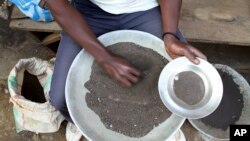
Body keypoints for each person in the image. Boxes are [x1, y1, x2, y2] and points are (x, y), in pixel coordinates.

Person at [46, 0, 207, 123]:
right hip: (89, 12)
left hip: (142, 7)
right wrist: (105, 57)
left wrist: (170, 35)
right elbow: (56, 4)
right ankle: (86, 126)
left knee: (183, 84)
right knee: (61, 98)